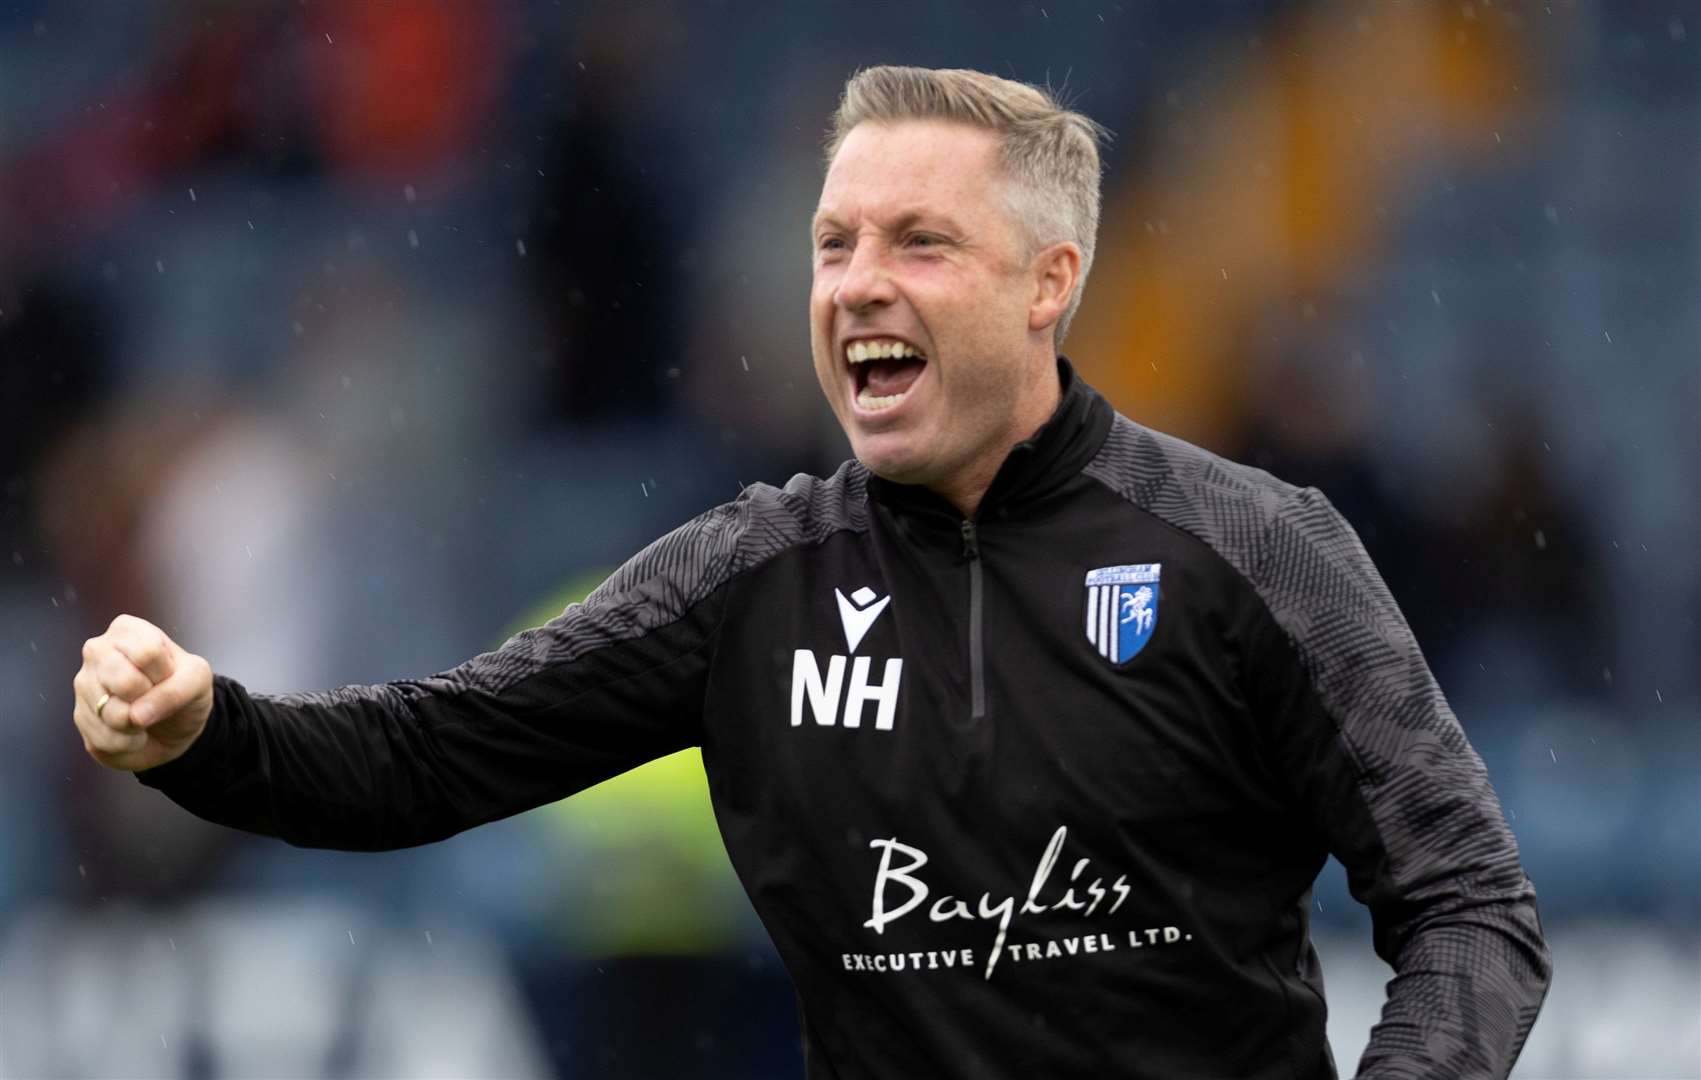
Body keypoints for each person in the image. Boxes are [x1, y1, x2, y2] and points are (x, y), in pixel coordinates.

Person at [72, 66, 1550, 1079]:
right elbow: (420, 760)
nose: (854, 284)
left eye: (918, 241)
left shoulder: (1257, 546)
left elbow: (1468, 906)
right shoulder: (747, 579)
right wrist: (212, 735)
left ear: (1050, 283)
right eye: (831, 243)